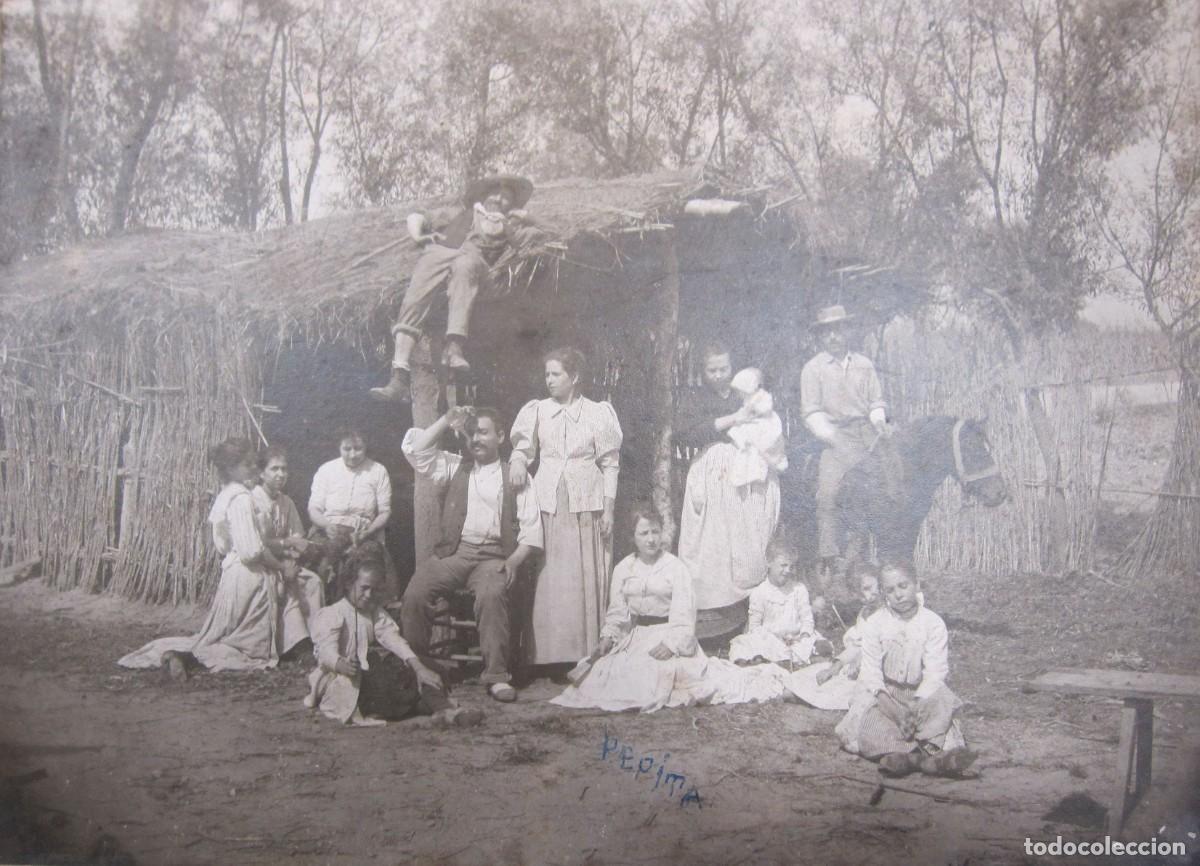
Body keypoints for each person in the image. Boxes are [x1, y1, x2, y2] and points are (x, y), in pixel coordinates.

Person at [400, 406, 543, 703]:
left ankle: (496, 676)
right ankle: (421, 667)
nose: (476, 439)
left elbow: (532, 530)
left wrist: (513, 561)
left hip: (494, 557)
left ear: (501, 436)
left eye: (483, 432)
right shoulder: (455, 467)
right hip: (456, 553)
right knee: (416, 591)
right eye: (472, 433)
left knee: (491, 594)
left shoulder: (515, 475)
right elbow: (416, 451)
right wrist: (447, 420)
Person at [118, 438, 290, 673]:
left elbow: (221, 545)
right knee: (245, 647)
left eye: (253, 463)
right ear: (231, 469)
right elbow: (252, 551)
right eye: (247, 464)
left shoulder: (225, 495)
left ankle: (186, 655)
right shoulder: (241, 499)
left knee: (224, 634)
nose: (253, 468)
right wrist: (280, 567)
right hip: (249, 578)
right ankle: (186, 658)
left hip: (232, 575)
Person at [370, 174, 544, 402]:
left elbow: (546, 236)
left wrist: (528, 218)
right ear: (484, 195)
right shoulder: (459, 214)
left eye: (506, 197)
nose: (499, 200)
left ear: (513, 204)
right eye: (495, 193)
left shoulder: (512, 224)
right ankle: (399, 374)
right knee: (418, 288)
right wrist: (420, 236)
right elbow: (417, 216)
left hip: (475, 262)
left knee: (466, 265)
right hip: (441, 253)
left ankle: (454, 348)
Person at [509, 347, 623, 668]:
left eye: (555, 374)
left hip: (587, 504)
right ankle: (548, 654)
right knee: (551, 578)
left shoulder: (597, 413)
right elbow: (523, 448)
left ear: (574, 377)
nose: (549, 380)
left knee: (581, 578)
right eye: (547, 374)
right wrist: (518, 460)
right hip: (548, 504)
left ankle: (582, 654)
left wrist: (609, 508)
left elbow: (610, 464)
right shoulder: (538, 411)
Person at [550, 507, 716, 713]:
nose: (651, 539)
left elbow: (685, 614)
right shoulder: (624, 568)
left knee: (654, 673)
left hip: (666, 633)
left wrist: (672, 644)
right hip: (636, 636)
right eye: (644, 533)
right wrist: (608, 637)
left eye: (655, 532)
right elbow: (617, 612)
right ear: (633, 537)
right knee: (605, 670)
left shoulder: (676, 567)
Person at [676, 349, 786, 638]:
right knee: (713, 540)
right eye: (711, 370)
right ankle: (714, 610)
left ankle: (753, 606)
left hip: (750, 466)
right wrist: (732, 419)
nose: (718, 375)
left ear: (732, 367)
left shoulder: (749, 391)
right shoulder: (696, 398)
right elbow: (686, 433)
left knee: (749, 536)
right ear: (704, 371)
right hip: (714, 468)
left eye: (723, 368)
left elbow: (768, 423)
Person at [833, 562, 975, 777]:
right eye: (890, 590)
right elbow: (871, 673)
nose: (898, 594)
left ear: (916, 584)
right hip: (888, 697)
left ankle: (917, 757)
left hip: (922, 695)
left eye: (903, 586)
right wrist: (897, 713)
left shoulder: (932, 623)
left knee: (942, 704)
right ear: (884, 593)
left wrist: (916, 705)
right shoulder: (876, 623)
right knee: (868, 728)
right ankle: (921, 760)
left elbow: (935, 672)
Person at [304, 561, 484, 728]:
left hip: (366, 673)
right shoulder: (332, 614)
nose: (368, 595)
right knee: (380, 672)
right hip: (341, 677)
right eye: (364, 588)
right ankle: (432, 708)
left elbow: (393, 639)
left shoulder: (373, 613)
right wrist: (340, 663)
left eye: (374, 591)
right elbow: (325, 651)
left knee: (416, 664)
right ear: (349, 584)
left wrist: (419, 667)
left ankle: (444, 711)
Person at [799, 305, 889, 580]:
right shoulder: (813, 369)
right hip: (834, 438)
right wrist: (833, 437)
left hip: (866, 434)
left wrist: (879, 422)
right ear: (821, 337)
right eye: (827, 332)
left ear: (848, 331)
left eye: (839, 330)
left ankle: (885, 559)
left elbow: (875, 401)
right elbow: (811, 412)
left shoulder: (864, 364)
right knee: (827, 495)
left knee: (889, 487)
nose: (834, 337)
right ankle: (829, 556)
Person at [251, 445, 324, 657]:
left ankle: (316, 638)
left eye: (284, 469)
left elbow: (297, 536)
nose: (280, 474)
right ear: (261, 473)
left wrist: (292, 557)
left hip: (286, 562)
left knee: (313, 582)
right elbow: (258, 543)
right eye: (274, 469)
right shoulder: (253, 500)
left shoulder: (286, 501)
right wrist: (286, 548)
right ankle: (293, 644)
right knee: (284, 586)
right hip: (262, 563)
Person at [307, 427, 394, 599]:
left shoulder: (378, 471)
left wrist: (367, 532)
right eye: (347, 449)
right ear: (339, 447)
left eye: (358, 449)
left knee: (365, 567)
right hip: (330, 530)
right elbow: (314, 508)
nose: (353, 455)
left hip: (362, 534)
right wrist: (325, 525)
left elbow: (385, 511)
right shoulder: (326, 470)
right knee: (319, 562)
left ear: (366, 447)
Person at [729, 540, 827, 667]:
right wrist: (774, 639)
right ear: (769, 563)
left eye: (791, 567)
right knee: (742, 644)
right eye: (783, 565)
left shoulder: (798, 589)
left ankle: (782, 661)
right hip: (770, 640)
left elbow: (807, 620)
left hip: (796, 639)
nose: (787, 570)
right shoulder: (759, 592)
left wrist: (803, 635)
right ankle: (775, 661)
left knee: (816, 644)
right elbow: (755, 627)